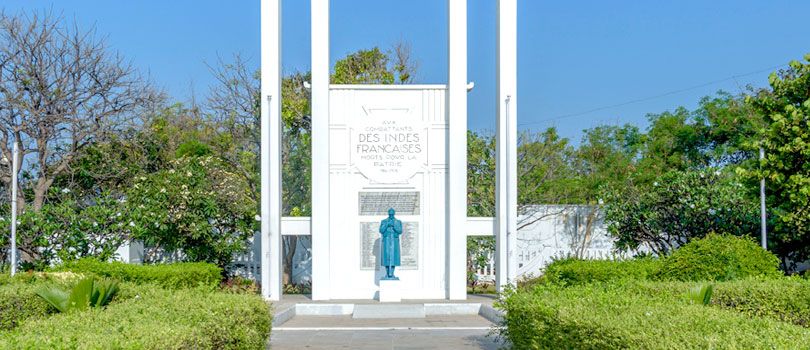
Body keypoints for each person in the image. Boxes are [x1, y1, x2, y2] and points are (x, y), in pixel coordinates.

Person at [379, 208, 403, 280]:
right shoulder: (384, 221)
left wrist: (394, 225)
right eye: (390, 214)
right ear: (388, 214)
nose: (391, 215)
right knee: (386, 257)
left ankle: (392, 274)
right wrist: (387, 224)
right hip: (386, 240)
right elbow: (381, 230)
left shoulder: (398, 221)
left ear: (394, 214)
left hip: (394, 241)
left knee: (394, 257)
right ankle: (387, 274)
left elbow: (400, 231)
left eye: (392, 214)